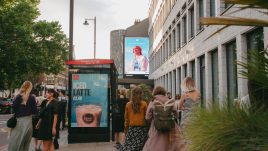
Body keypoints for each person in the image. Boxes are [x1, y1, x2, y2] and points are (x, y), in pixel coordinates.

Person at [142, 86, 182, 151]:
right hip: (169, 127)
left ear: (154, 93)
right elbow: (176, 115)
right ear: (164, 92)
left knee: (154, 145)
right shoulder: (169, 101)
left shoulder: (153, 102)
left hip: (156, 126)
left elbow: (147, 117)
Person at [8, 81, 37, 151]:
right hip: (28, 121)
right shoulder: (32, 98)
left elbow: (13, 108)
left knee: (16, 141)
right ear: (30, 88)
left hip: (19, 121)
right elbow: (34, 111)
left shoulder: (18, 97)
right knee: (26, 143)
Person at [119, 86, 148, 151]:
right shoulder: (144, 104)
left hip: (131, 130)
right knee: (140, 147)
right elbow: (146, 117)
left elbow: (126, 119)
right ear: (141, 94)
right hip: (142, 130)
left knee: (130, 147)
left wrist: (126, 129)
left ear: (132, 94)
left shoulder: (128, 104)